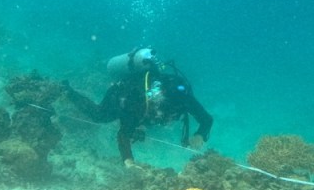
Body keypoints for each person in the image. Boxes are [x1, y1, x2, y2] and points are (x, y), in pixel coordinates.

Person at [68, 47, 213, 168]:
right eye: (158, 109)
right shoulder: (137, 102)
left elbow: (207, 119)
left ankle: (140, 124)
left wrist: (200, 134)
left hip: (142, 108)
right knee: (99, 115)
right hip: (122, 95)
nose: (164, 115)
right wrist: (128, 161)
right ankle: (67, 91)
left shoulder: (182, 96)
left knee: (141, 124)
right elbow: (123, 134)